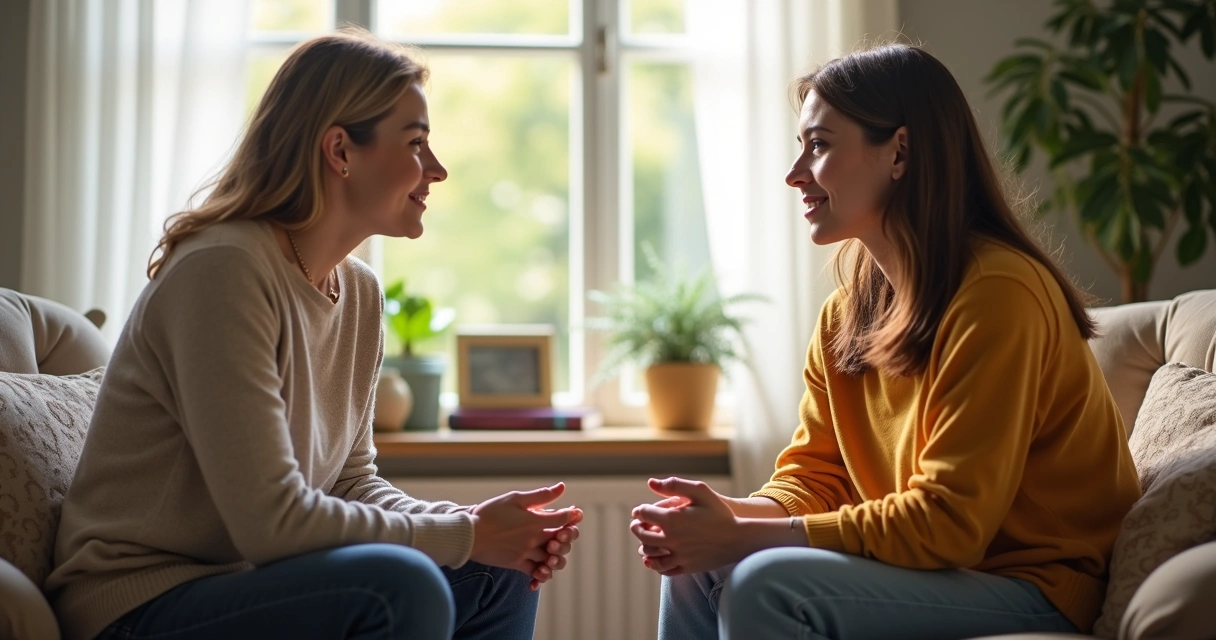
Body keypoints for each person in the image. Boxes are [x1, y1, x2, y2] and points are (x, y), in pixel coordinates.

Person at [46, 29, 581, 640]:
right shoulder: (223, 269)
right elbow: (271, 524)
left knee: (496, 573)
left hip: (254, 585)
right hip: (140, 604)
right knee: (400, 585)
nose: (437, 169)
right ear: (340, 151)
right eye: (416, 143)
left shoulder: (359, 293)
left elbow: (350, 483)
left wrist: (475, 527)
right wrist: (463, 535)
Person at [628, 43, 1141, 640]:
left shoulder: (998, 292)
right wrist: (723, 520)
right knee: (695, 569)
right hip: (938, 570)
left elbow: (951, 523)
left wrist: (746, 536)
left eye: (818, 146)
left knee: (763, 582)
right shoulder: (846, 314)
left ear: (899, 151)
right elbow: (817, 477)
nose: (794, 174)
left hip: (1035, 583)